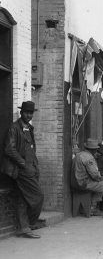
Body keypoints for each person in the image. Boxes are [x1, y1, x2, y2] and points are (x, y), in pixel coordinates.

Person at [1, 101, 44, 238]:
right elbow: (9, 149)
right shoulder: (14, 128)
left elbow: (32, 150)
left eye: (31, 113)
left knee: (23, 198)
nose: (29, 115)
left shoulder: (30, 128)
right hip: (21, 170)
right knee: (38, 196)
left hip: (31, 168)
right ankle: (30, 223)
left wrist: (35, 166)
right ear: (21, 112)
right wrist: (23, 164)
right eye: (26, 112)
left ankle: (23, 228)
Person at [71, 138, 103, 218]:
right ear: (93, 150)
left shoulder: (79, 154)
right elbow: (95, 175)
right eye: (96, 150)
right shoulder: (89, 158)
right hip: (83, 183)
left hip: (76, 182)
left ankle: (93, 208)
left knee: (101, 184)